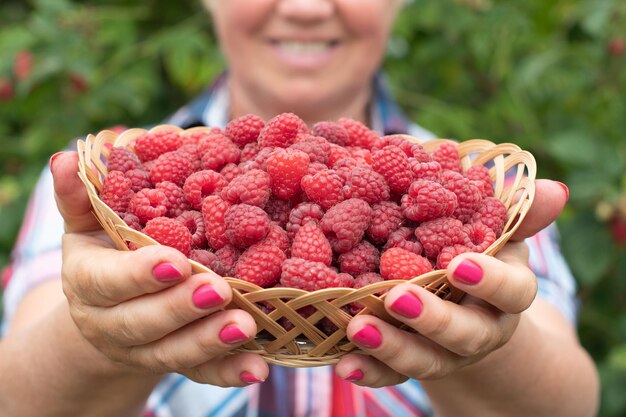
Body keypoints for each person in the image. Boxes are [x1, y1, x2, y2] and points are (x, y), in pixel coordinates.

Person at [0, 1, 599, 416]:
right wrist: (96, 333)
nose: (306, 6)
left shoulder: (472, 182)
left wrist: (484, 336)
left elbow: (571, 403)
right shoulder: (108, 185)